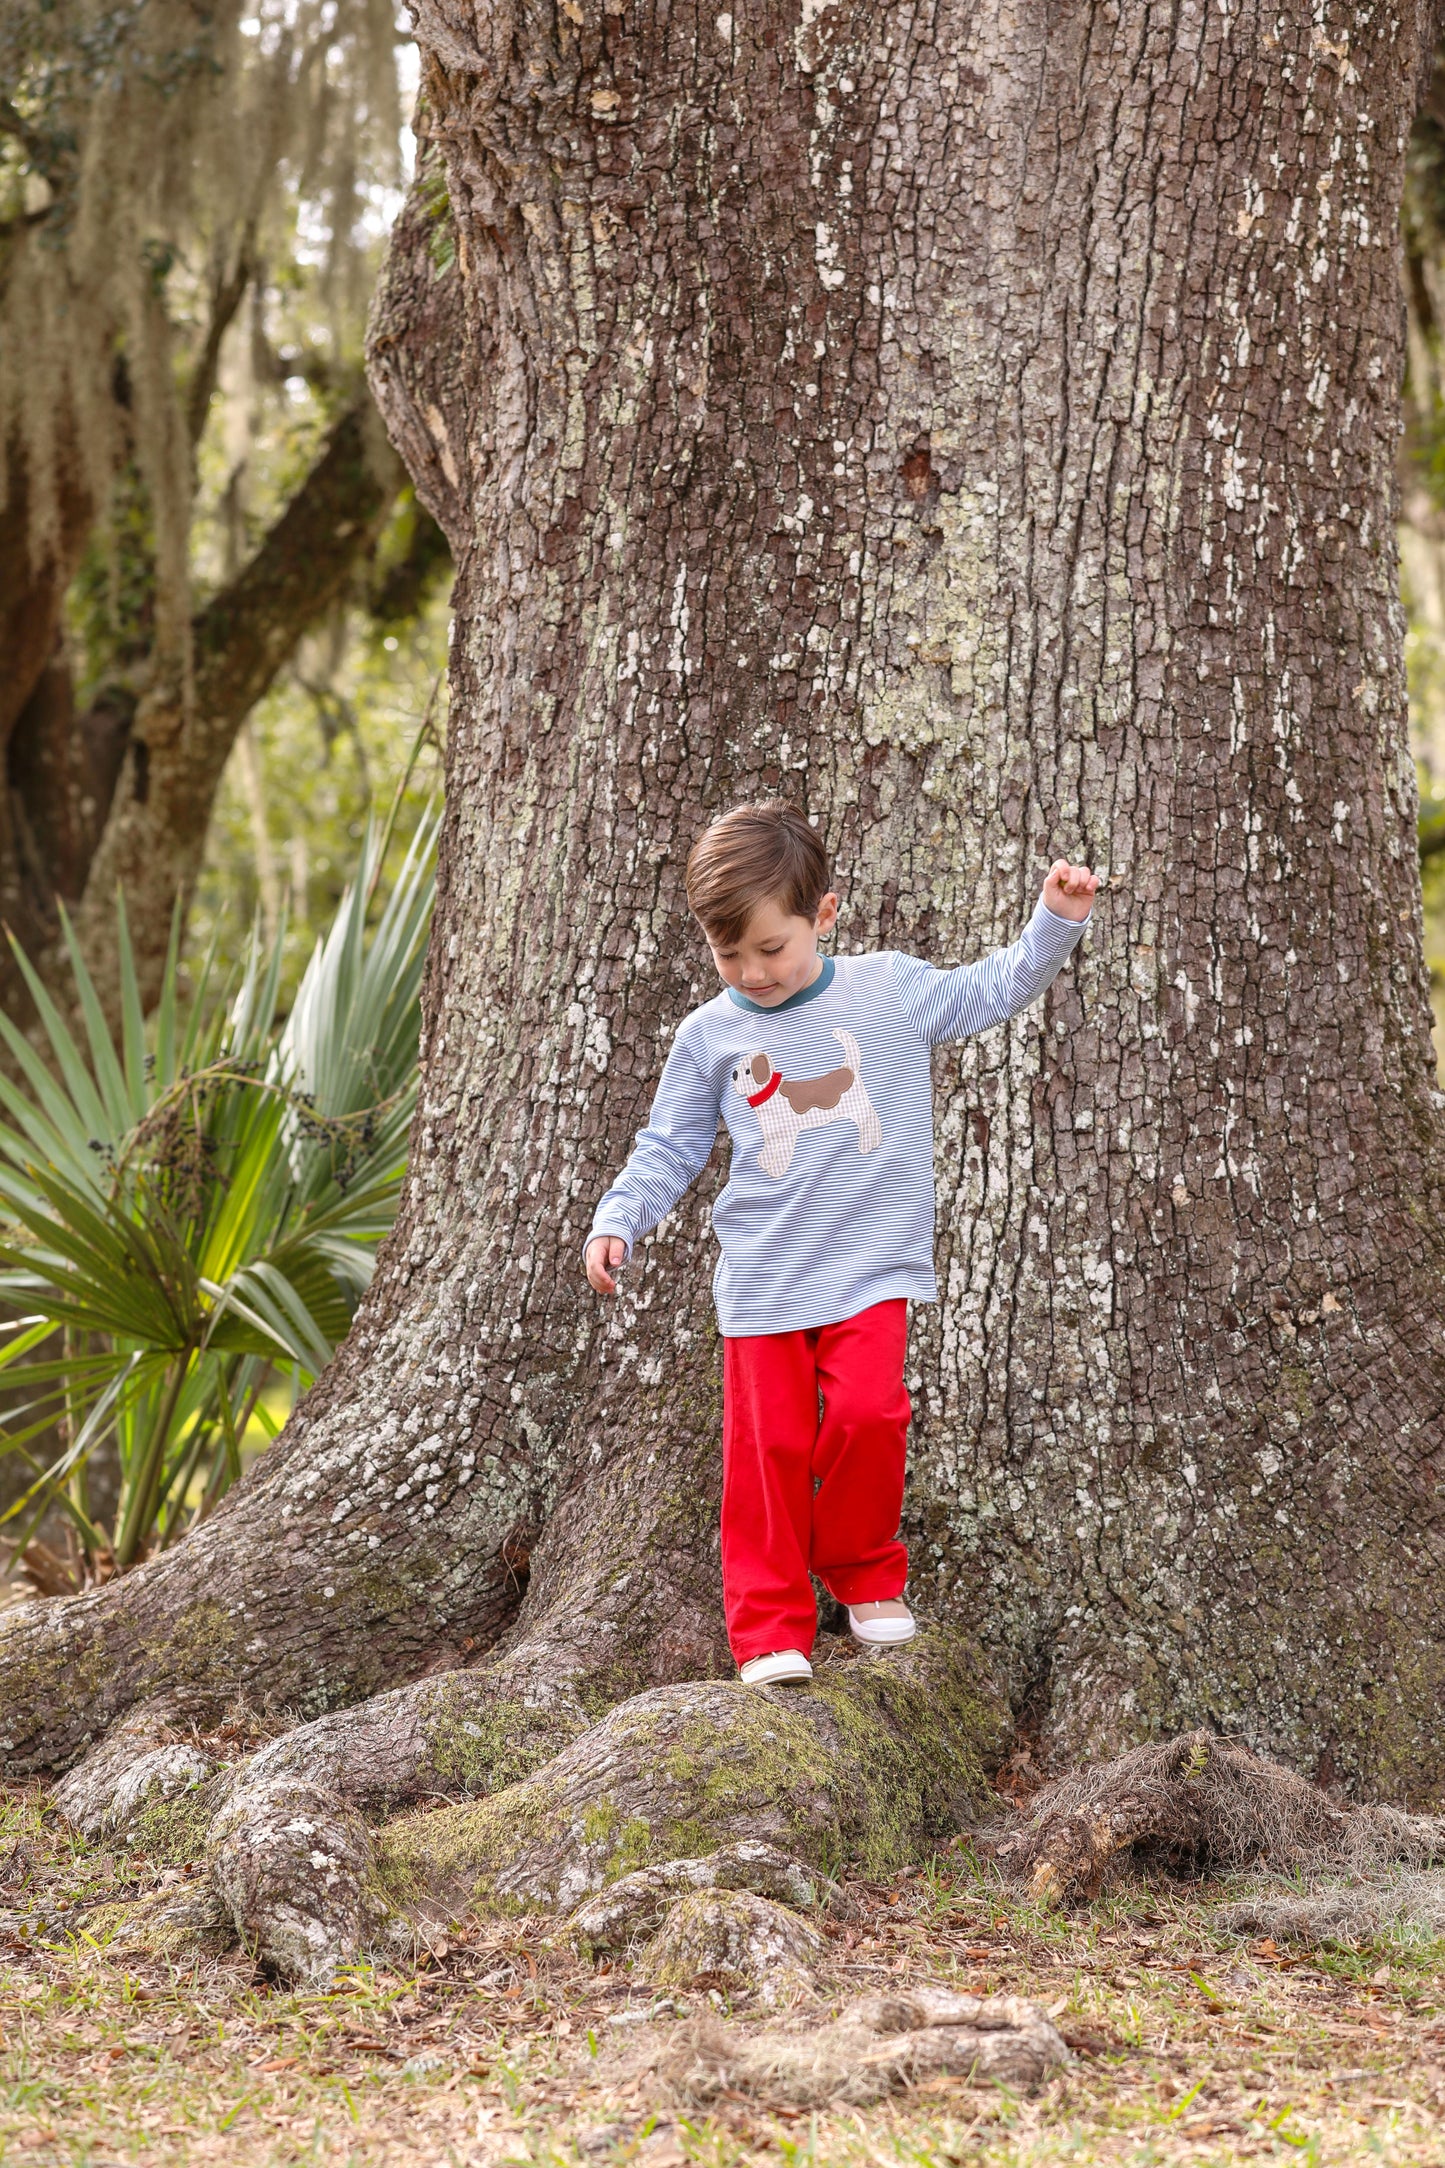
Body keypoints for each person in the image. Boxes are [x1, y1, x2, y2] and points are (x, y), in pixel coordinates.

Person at [584, 804, 1097, 1687]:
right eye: (728, 955)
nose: (752, 973)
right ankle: (769, 1626)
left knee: (869, 1417)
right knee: (767, 1457)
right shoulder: (710, 1036)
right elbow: (669, 1146)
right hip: (764, 1281)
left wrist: (1055, 918)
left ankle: (862, 1570)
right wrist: (617, 1218)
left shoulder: (887, 990)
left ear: (823, 914)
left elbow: (993, 987)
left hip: (869, 1268)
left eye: (771, 949)